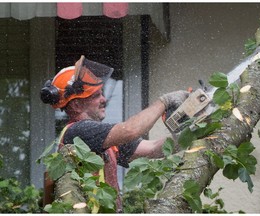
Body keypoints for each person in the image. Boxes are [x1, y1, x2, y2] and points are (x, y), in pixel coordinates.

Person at [40, 55, 189, 212]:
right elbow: (131, 130)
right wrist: (165, 102)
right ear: (76, 105)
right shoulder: (79, 132)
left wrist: (190, 132)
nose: (104, 99)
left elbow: (152, 149)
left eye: (101, 93)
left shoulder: (103, 141)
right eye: (96, 95)